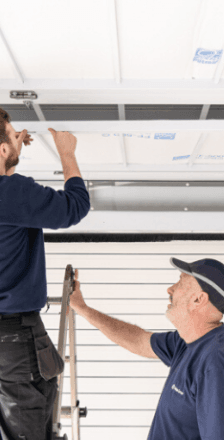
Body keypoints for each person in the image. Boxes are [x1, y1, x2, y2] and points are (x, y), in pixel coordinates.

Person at [69, 257, 224, 439]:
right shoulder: (187, 342)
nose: (170, 289)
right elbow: (138, 340)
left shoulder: (217, 364)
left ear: (198, 299)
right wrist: (82, 308)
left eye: (180, 282)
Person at [0, 108, 90, 440]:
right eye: (12, 135)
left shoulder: (9, 195)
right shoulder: (10, 193)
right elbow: (74, 207)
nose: (18, 136)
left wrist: (10, 152)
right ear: (3, 150)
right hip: (13, 338)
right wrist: (67, 153)